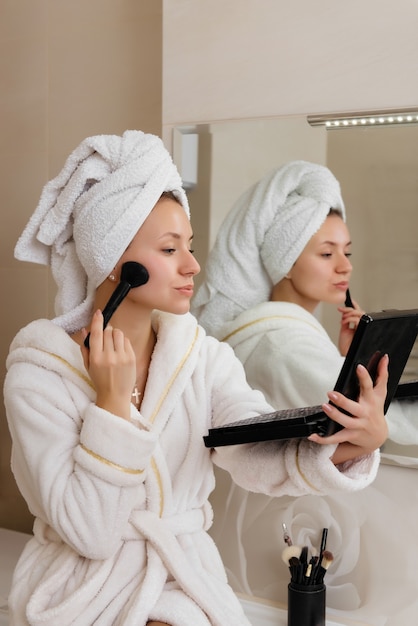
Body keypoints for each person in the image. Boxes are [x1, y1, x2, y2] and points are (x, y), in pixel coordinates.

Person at [4, 137, 388, 626]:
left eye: (190, 246)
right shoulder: (41, 373)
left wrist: (354, 443)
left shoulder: (198, 356)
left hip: (187, 584)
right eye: (169, 249)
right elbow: (91, 532)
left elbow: (255, 449)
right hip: (84, 596)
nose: (192, 265)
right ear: (114, 257)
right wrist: (112, 405)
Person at [192, 159, 416, 605]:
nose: (344, 267)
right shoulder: (282, 344)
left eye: (347, 251)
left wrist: (341, 356)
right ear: (285, 261)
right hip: (293, 528)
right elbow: (384, 429)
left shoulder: (278, 335)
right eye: (326, 252)